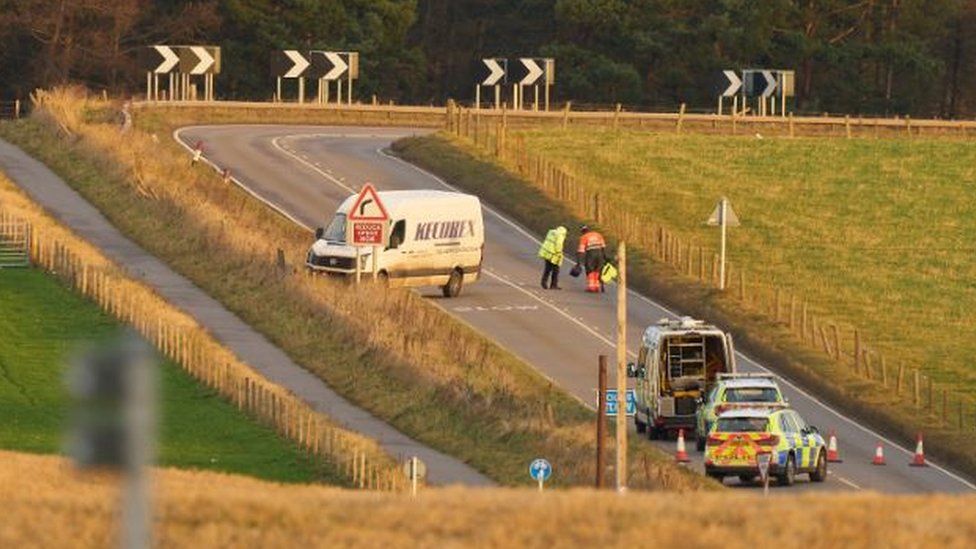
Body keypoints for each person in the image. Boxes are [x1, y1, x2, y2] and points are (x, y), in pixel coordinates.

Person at [575, 225, 607, 293]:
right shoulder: (598, 235)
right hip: (600, 253)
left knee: (590, 270)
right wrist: (605, 257)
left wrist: (579, 262)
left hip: (591, 254)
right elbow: (603, 247)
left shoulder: (584, 237)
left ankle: (591, 287)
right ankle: (597, 286)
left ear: (582, 232)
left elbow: (581, 250)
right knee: (597, 270)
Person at [538, 225, 567, 290]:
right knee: (556, 270)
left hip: (547, 253)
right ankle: (553, 285)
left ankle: (544, 282)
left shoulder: (551, 232)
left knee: (547, 269)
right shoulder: (560, 235)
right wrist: (559, 253)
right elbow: (558, 244)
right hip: (554, 254)